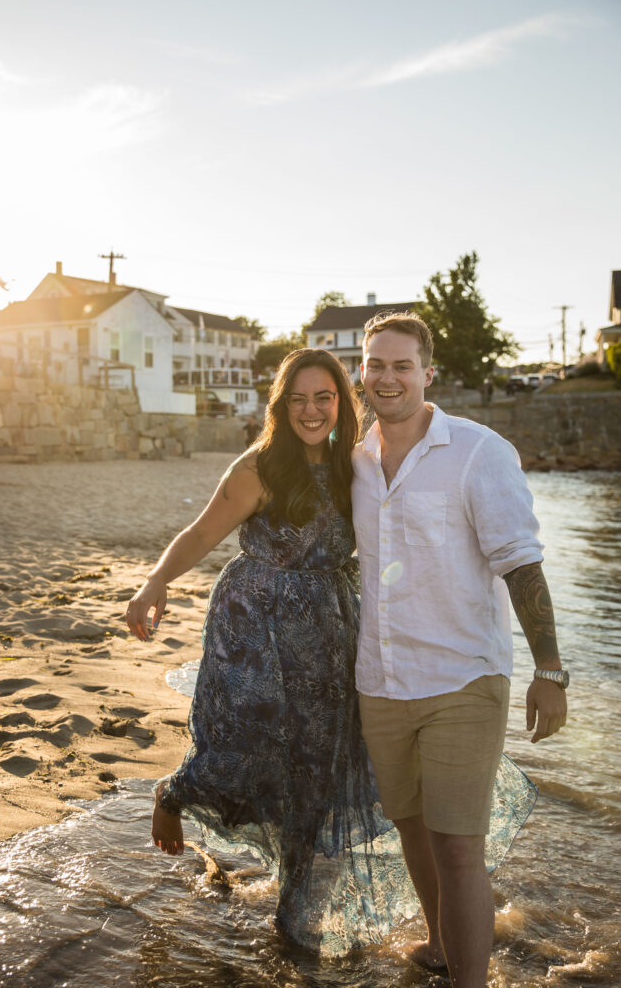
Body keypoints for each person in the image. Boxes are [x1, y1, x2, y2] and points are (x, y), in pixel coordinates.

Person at [125, 348, 421, 955]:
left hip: (329, 630)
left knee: (318, 763)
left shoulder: (356, 465)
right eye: (298, 399)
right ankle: (174, 793)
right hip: (252, 623)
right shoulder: (257, 468)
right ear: (281, 405)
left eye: (324, 397)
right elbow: (201, 533)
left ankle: (292, 910)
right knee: (242, 739)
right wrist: (154, 582)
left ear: (343, 400)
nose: (311, 411)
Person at [352, 312, 567, 988]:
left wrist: (549, 671)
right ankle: (443, 947)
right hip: (380, 681)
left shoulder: (478, 451)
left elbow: (521, 564)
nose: (388, 377)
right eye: (376, 365)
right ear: (362, 370)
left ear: (426, 374)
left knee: (456, 844)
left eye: (401, 365)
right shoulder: (353, 458)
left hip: (461, 679)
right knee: (411, 829)